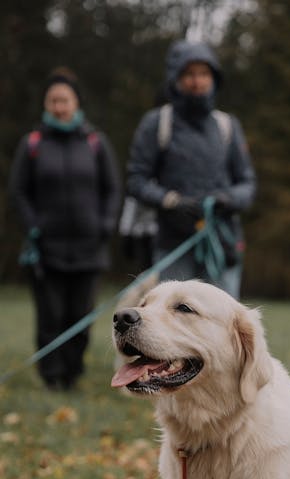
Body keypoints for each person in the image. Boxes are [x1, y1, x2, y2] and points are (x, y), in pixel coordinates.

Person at [9, 67, 121, 391]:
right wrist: (32, 227)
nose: (59, 106)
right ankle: (51, 377)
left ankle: (73, 374)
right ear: (46, 104)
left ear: (76, 103)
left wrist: (105, 224)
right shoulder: (32, 144)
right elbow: (18, 191)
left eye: (65, 99)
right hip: (47, 249)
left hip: (89, 248)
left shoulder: (95, 142)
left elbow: (112, 188)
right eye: (53, 100)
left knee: (80, 317)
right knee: (50, 317)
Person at [126, 40, 256, 299]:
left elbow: (247, 183)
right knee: (173, 325)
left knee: (221, 325)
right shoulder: (156, 123)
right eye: (189, 74)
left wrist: (226, 199)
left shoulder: (227, 126)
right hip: (173, 243)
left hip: (221, 242)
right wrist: (172, 201)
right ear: (175, 79)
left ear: (214, 78)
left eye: (204, 74)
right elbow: (137, 179)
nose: (197, 81)